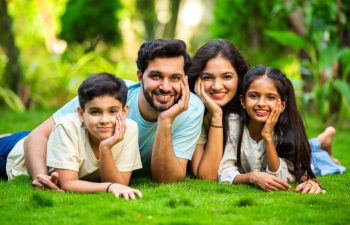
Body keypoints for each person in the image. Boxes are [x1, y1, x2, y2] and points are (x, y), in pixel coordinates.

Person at [23, 39, 205, 189]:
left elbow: (167, 180)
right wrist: (41, 175)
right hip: (30, 151)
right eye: (156, 76)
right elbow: (37, 136)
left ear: (184, 80)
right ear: (140, 76)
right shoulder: (109, 96)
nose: (165, 87)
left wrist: (165, 120)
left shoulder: (192, 109)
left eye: (174, 78)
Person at [1, 73, 143, 199]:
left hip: (52, 142)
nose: (104, 119)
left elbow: (120, 184)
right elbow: (67, 183)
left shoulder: (130, 128)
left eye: (113, 111)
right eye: (95, 112)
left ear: (124, 112)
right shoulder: (67, 126)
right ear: (81, 114)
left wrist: (105, 148)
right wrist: (108, 187)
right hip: (13, 156)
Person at [218, 65, 345, 194]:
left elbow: (279, 178)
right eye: (254, 96)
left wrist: (267, 136)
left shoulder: (286, 131)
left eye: (271, 97)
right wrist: (252, 177)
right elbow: (224, 170)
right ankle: (322, 140)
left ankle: (324, 139)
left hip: (299, 159)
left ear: (283, 105)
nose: (261, 103)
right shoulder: (234, 124)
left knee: (317, 161)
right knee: (314, 149)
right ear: (242, 101)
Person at [187, 39, 249, 180]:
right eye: (208, 77)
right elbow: (206, 175)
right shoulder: (192, 111)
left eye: (226, 77)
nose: (217, 86)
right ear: (197, 80)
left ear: (239, 77)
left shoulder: (253, 107)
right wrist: (216, 115)